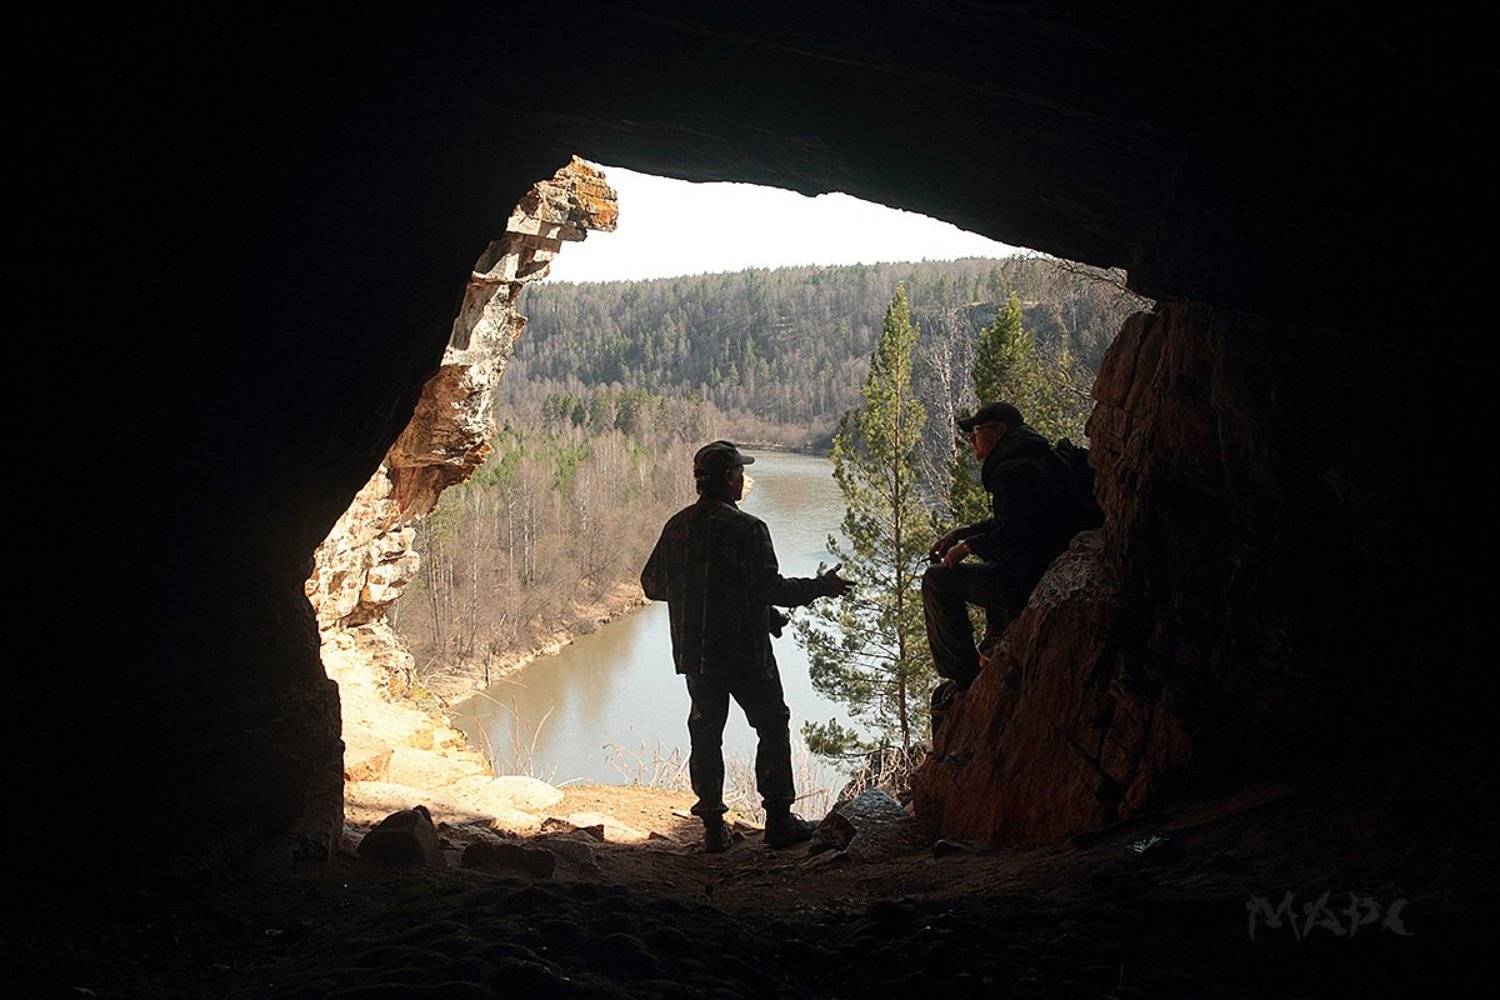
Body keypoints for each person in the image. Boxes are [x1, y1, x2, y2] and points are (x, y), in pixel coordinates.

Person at [641, 440, 853, 853]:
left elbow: (653, 585)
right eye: (740, 472)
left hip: (694, 654)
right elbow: (769, 588)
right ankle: (778, 821)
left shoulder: (678, 526)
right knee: (771, 724)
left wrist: (699, 598)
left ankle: (713, 828)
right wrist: (822, 586)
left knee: (705, 733)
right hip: (744, 653)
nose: (744, 479)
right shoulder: (749, 529)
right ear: (728, 479)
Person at [922, 402, 1078, 730]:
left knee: (938, 581)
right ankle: (994, 640)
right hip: (1052, 566)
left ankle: (964, 678)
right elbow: (1017, 519)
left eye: (976, 432)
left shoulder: (1012, 470)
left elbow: (1018, 535)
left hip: (1032, 577)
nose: (971, 440)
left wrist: (969, 546)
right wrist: (964, 533)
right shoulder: (1033, 455)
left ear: (999, 430)